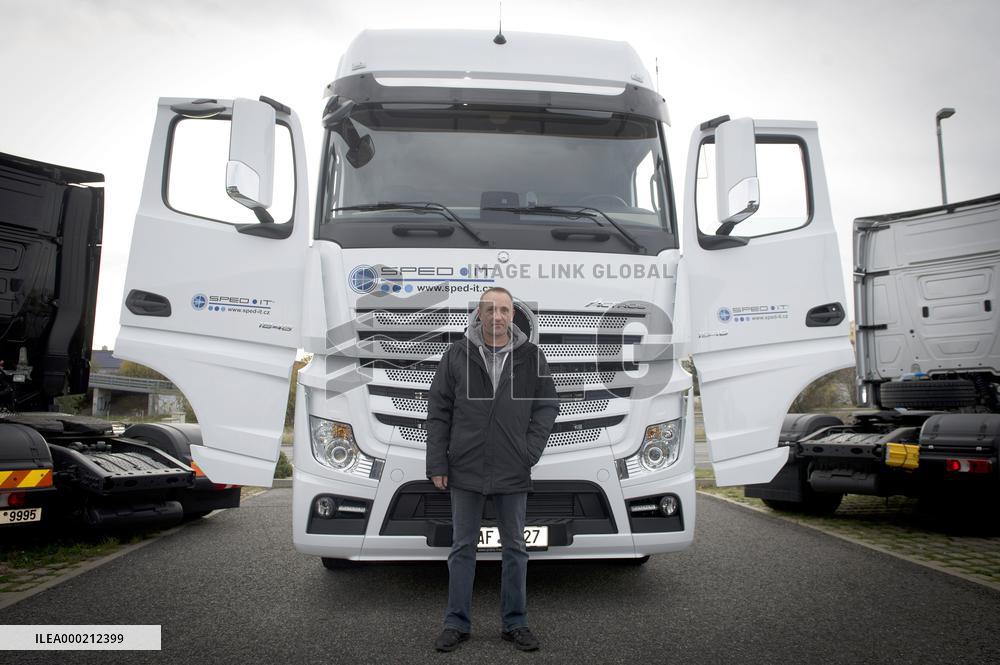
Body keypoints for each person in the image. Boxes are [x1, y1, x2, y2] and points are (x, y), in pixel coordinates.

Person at [425, 287, 559, 652]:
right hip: (465, 466)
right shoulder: (455, 355)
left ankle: (515, 623)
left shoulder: (532, 357)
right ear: (479, 314)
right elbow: (438, 412)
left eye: (503, 310)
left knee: (515, 548)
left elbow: (547, 406)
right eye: (489, 309)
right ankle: (456, 623)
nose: (496, 316)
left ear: (512, 314)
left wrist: (528, 451)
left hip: (513, 468)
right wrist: (437, 462)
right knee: (461, 547)